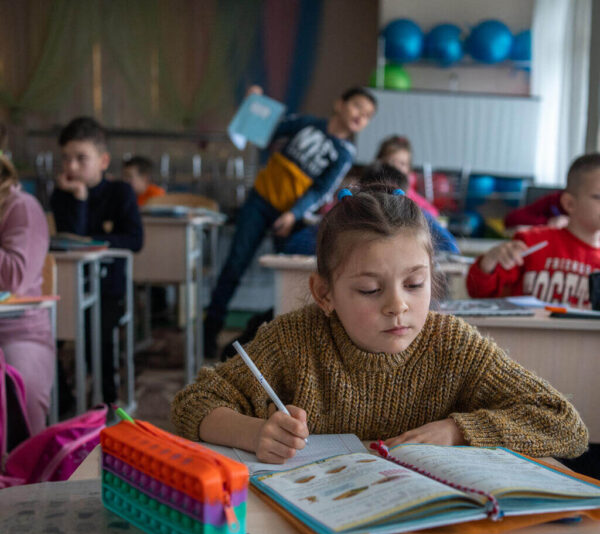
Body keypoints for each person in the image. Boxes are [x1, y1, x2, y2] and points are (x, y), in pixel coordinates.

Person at [172, 182, 588, 464]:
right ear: (325, 294)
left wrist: (458, 430)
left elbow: (564, 424)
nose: (397, 306)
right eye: (370, 290)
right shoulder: (295, 339)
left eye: (414, 284)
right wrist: (254, 433)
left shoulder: (453, 345)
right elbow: (194, 403)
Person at [203, 86, 377, 358]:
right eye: (357, 106)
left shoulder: (344, 152)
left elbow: (322, 190)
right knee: (235, 264)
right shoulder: (307, 123)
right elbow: (267, 127)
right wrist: (253, 103)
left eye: (367, 115)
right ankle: (209, 331)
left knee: (287, 278)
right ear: (339, 104)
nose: (360, 116)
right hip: (260, 202)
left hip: (290, 217)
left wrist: (293, 214)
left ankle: (268, 340)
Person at [50, 116, 144, 404]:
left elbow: (134, 240)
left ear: (103, 161)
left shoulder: (121, 193)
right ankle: (63, 399)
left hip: (108, 291)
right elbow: (73, 241)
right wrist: (79, 198)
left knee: (97, 331)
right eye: (66, 158)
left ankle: (107, 398)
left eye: (81, 158)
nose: (72, 166)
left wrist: (95, 242)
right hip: (69, 287)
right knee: (45, 328)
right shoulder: (62, 195)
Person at [467, 153, 600, 308]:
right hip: (525, 332)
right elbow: (478, 292)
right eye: (598, 196)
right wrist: (489, 261)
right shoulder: (532, 242)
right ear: (569, 203)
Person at [0, 150, 54, 434]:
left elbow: (14, 276)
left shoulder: (20, 206)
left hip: (16, 329)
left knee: (18, 390)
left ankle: (21, 473)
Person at [375, 135, 439, 217]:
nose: (397, 167)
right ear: (380, 162)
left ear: (409, 169)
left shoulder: (408, 192)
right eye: (392, 162)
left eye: (402, 164)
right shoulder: (373, 186)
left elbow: (432, 212)